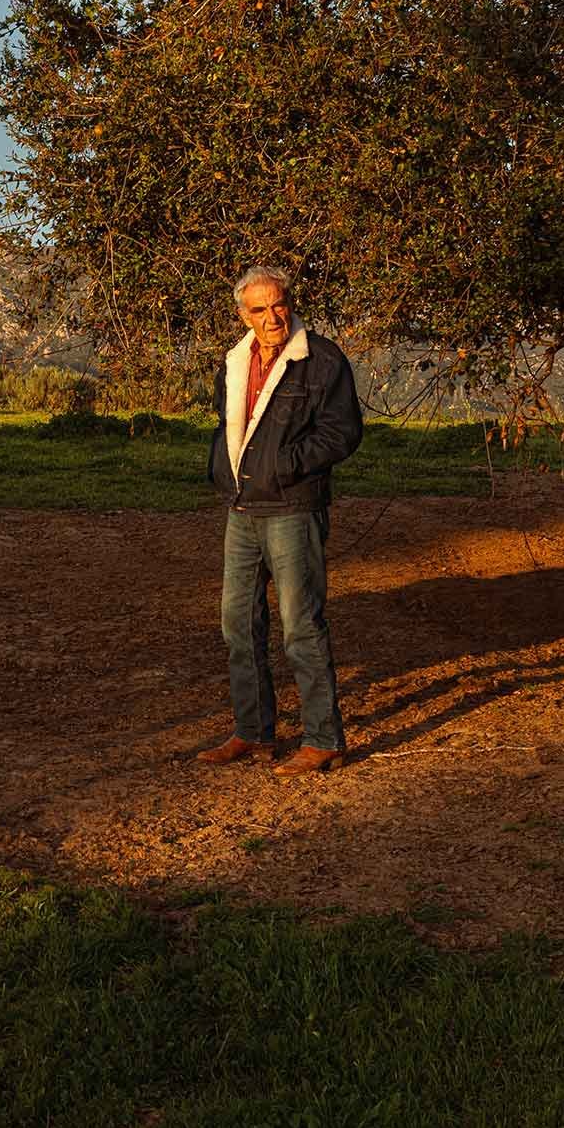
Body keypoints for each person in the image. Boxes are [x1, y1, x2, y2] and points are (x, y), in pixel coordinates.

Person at [197, 266, 364, 774]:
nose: (273, 316)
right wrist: (222, 470)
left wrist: (282, 465)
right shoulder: (235, 360)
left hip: (293, 509)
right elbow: (232, 426)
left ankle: (323, 738)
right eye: (259, 309)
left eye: (279, 304)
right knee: (238, 626)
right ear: (242, 315)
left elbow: (343, 433)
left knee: (301, 627)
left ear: (289, 302)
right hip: (242, 511)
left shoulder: (321, 359)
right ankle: (253, 732)